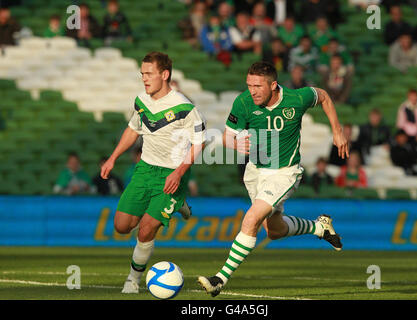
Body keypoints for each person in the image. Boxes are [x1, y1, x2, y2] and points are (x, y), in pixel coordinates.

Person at [197, 61, 348, 297]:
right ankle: (320, 227)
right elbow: (227, 138)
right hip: (256, 171)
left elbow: (325, 96)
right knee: (274, 230)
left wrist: (337, 131)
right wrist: (235, 143)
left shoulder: (296, 99)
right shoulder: (243, 102)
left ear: (273, 85)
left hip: (284, 172)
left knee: (251, 219)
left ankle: (219, 279)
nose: (252, 91)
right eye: (249, 85)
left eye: (257, 85)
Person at [100, 52, 206, 293]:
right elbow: (132, 129)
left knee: (146, 229)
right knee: (122, 225)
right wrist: (113, 158)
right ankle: (180, 204)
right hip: (145, 170)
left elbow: (199, 143)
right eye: (142, 74)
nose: (144, 79)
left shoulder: (185, 107)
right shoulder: (141, 101)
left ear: (164, 74)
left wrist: (179, 173)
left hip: (171, 175)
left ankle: (132, 280)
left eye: (149, 74)